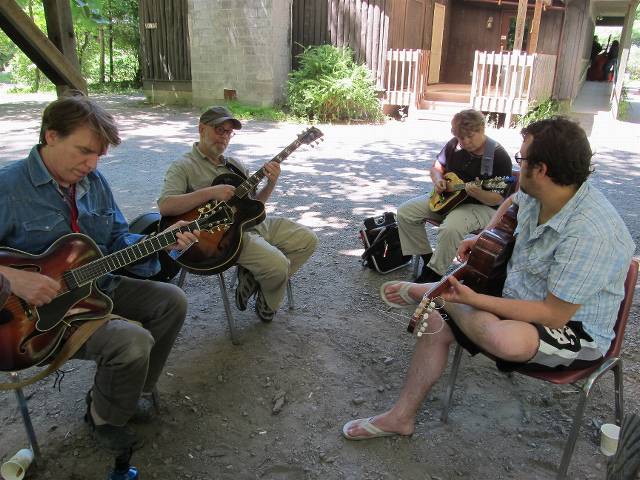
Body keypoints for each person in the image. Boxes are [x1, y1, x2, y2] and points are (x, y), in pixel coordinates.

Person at [343, 117, 634, 440]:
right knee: (438, 324)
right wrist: (487, 236)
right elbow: (512, 201)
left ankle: (435, 293)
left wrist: (471, 299)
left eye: (522, 159)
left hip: (574, 330)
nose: (517, 165)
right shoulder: (543, 193)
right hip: (517, 299)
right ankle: (400, 417)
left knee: (502, 339)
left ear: (542, 170)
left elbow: (554, 314)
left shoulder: (591, 232)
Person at [0, 94, 196, 451]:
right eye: (83, 151)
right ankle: (103, 416)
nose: (91, 164)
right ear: (51, 136)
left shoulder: (95, 183)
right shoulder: (7, 187)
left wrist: (160, 242)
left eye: (99, 156)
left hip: (95, 287)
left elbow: (119, 240)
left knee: (172, 300)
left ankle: (129, 392)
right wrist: (13, 279)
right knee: (131, 341)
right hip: (34, 323)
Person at [157, 106, 318, 322]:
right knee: (278, 264)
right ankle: (268, 304)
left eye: (228, 132)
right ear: (201, 129)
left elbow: (254, 208)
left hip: (248, 226)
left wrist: (271, 183)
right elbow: (166, 206)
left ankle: (253, 277)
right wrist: (211, 192)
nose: (224, 137)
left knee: (308, 241)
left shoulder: (236, 165)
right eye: (219, 130)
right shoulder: (183, 166)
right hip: (222, 238)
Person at [397, 109, 513, 283]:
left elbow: (497, 199)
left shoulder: (498, 156)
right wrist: (437, 180)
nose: (465, 142)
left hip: (481, 206)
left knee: (451, 227)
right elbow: (436, 167)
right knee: (406, 212)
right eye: (461, 138)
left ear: (482, 129)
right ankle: (428, 258)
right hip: (449, 199)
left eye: (470, 137)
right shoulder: (454, 144)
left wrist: (479, 193)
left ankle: (433, 274)